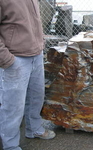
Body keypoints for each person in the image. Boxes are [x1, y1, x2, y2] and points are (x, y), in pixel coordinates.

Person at [0, 0, 56, 150]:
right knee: (13, 107)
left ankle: (34, 129)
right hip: (15, 57)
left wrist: (40, 45)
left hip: (36, 55)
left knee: (36, 96)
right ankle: (10, 145)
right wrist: (6, 59)